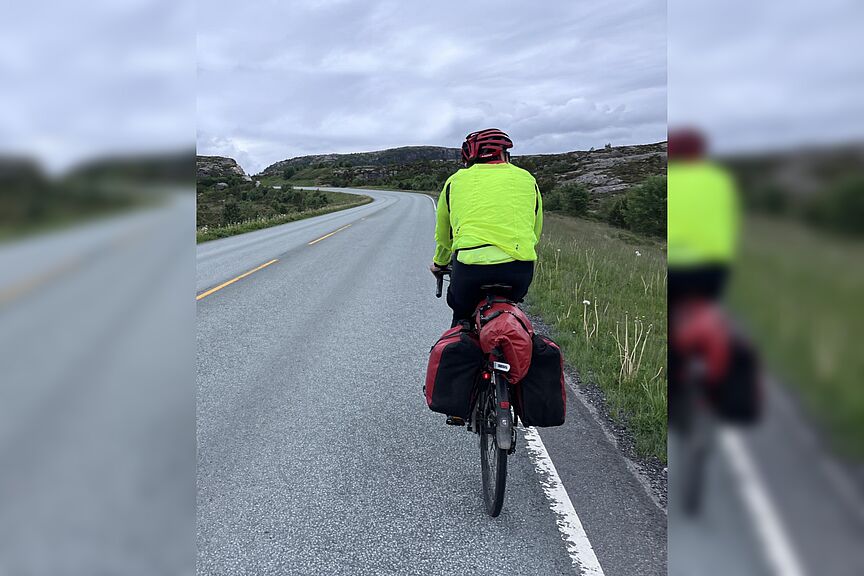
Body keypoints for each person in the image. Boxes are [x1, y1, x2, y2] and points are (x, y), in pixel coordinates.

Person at [430, 128, 543, 328]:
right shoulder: (527, 179)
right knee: (512, 317)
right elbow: (535, 229)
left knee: (461, 315)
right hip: (519, 271)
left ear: (470, 157)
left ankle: (462, 341)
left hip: (470, 270)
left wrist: (440, 263)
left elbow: (445, 235)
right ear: (503, 154)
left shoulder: (455, 181)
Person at [667, 127, 741, 428]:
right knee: (712, 317)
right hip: (715, 266)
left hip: (683, 266)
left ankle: (679, 394)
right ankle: (718, 385)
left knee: (675, 326)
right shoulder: (719, 181)